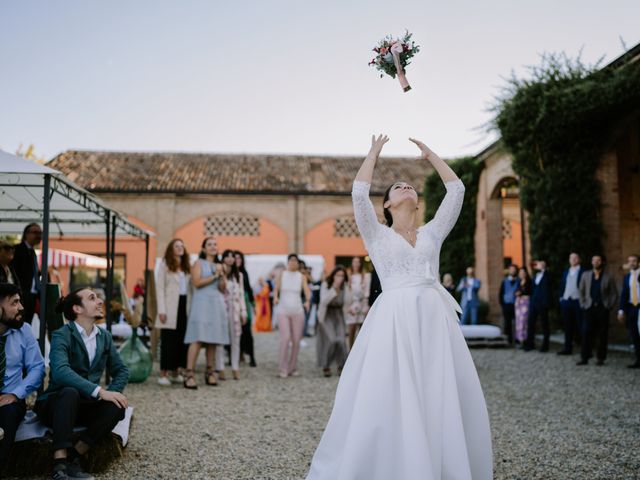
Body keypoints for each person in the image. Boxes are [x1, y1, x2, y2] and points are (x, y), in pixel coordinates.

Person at [306, 136, 492, 479]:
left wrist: (431, 155)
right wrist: (374, 153)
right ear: (388, 205)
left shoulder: (432, 233)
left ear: (417, 202)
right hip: (393, 319)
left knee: (436, 388)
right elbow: (359, 194)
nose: (406, 187)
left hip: (434, 320)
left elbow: (458, 191)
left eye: (409, 185)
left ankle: (439, 460)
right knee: (390, 389)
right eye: (397, 187)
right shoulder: (376, 235)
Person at [35, 288, 129, 480]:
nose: (100, 301)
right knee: (70, 392)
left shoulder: (105, 337)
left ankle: (75, 455)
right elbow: (60, 372)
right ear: (77, 308)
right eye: (92, 298)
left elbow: (122, 370)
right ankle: (59, 463)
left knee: (117, 406)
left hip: (84, 406)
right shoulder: (62, 334)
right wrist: (100, 391)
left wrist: (113, 392)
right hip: (56, 405)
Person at [0, 283, 45, 470]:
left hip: (11, 400)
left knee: (7, 415)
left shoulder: (24, 330)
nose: (21, 307)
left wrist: (16, 394)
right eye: (14, 303)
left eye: (19, 302)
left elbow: (37, 368)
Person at [183, 237, 229, 389]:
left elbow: (222, 288)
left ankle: (210, 371)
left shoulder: (220, 265)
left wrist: (222, 276)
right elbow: (196, 283)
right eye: (209, 244)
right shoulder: (198, 263)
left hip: (216, 303)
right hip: (201, 303)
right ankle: (189, 373)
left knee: (212, 339)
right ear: (203, 248)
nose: (213, 247)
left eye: (215, 244)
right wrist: (214, 276)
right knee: (197, 337)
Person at [154, 239, 191, 386]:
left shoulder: (186, 267)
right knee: (168, 340)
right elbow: (160, 288)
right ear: (171, 249)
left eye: (182, 246)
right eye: (177, 246)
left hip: (184, 305)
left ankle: (176, 371)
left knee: (181, 340)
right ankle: (164, 373)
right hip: (169, 307)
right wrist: (162, 310)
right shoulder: (164, 265)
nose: (180, 248)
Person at [274, 254, 310, 378]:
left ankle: (292, 367)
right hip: (283, 310)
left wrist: (307, 301)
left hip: (297, 310)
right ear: (288, 262)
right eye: (291, 260)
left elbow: (306, 291)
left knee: (296, 340)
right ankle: (282, 368)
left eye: (295, 261)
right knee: (286, 338)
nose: (293, 263)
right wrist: (275, 298)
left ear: (298, 263)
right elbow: (276, 289)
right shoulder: (282, 274)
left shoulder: (302, 277)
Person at [577, 255, 618, 366]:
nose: (595, 262)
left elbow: (613, 293)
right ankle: (584, 357)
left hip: (602, 308)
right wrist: (583, 304)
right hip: (589, 308)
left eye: (598, 260)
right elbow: (581, 290)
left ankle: (601, 358)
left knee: (602, 334)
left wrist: (609, 306)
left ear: (602, 262)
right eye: (594, 260)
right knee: (586, 332)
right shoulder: (586, 275)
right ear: (591, 262)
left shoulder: (608, 276)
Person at [216, 250, 247, 381]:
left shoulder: (239, 275)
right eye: (227, 256)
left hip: (234, 308)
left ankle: (235, 367)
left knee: (236, 339)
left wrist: (243, 311)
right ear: (222, 259)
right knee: (220, 339)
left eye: (232, 257)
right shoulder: (218, 273)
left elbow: (241, 295)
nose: (229, 259)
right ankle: (220, 367)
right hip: (220, 308)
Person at [316, 266, 350, 377]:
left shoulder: (345, 287)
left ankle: (341, 364)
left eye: (342, 275)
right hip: (327, 315)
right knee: (330, 340)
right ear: (333, 275)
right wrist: (333, 289)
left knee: (341, 340)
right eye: (337, 275)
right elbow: (323, 301)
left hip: (339, 315)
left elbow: (348, 302)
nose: (339, 278)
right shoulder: (326, 284)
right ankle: (326, 365)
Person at [10, 223, 42, 324]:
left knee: (27, 323)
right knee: (20, 322)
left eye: (40, 233)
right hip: (22, 294)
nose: (39, 236)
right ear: (26, 234)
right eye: (35, 232)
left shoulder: (32, 252)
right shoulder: (18, 250)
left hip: (32, 295)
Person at [557, 253, 584, 355]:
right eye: (571, 258)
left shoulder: (583, 271)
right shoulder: (566, 272)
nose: (573, 259)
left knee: (580, 326)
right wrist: (561, 298)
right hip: (566, 301)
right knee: (567, 326)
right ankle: (567, 348)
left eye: (575, 258)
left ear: (579, 259)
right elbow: (562, 285)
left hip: (578, 301)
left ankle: (584, 349)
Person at [617, 254, 640, 368]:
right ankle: (638, 360)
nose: (632, 263)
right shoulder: (627, 277)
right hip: (632, 307)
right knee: (634, 334)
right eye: (630, 261)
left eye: (634, 261)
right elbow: (624, 295)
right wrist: (621, 310)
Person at [235, 251, 257, 367]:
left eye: (240, 258)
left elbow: (249, 289)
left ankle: (251, 356)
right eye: (236, 258)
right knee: (234, 331)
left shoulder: (244, 273)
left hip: (245, 303)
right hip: (233, 304)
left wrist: (253, 304)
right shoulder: (230, 273)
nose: (238, 260)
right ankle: (237, 355)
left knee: (247, 330)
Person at [524, 260, 551, 352]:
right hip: (534, 302)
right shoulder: (535, 275)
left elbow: (549, 285)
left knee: (545, 324)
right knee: (531, 323)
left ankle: (545, 345)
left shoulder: (547, 275)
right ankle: (530, 344)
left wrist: (544, 268)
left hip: (543, 303)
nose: (539, 265)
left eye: (541, 263)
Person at [345, 256, 370, 350]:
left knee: (362, 331)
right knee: (351, 330)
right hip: (352, 305)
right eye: (354, 262)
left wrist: (366, 306)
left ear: (360, 264)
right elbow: (347, 293)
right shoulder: (349, 276)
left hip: (362, 304)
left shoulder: (365, 276)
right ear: (352, 263)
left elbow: (366, 292)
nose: (356, 264)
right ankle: (350, 351)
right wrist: (349, 307)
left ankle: (361, 351)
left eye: (358, 262)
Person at [499, 264, 519, 344]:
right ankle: (509, 340)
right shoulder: (504, 281)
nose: (512, 271)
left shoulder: (519, 281)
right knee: (508, 323)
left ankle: (517, 339)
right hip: (506, 305)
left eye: (514, 269)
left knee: (517, 323)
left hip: (517, 305)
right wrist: (503, 304)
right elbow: (501, 293)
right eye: (511, 269)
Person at [514, 267, 533, 345]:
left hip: (525, 302)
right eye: (520, 272)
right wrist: (517, 294)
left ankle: (525, 339)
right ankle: (519, 339)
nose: (521, 274)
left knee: (524, 321)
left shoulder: (529, 282)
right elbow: (515, 291)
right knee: (518, 321)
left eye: (523, 272)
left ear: (525, 273)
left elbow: (530, 292)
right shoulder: (518, 281)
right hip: (518, 303)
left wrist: (521, 293)